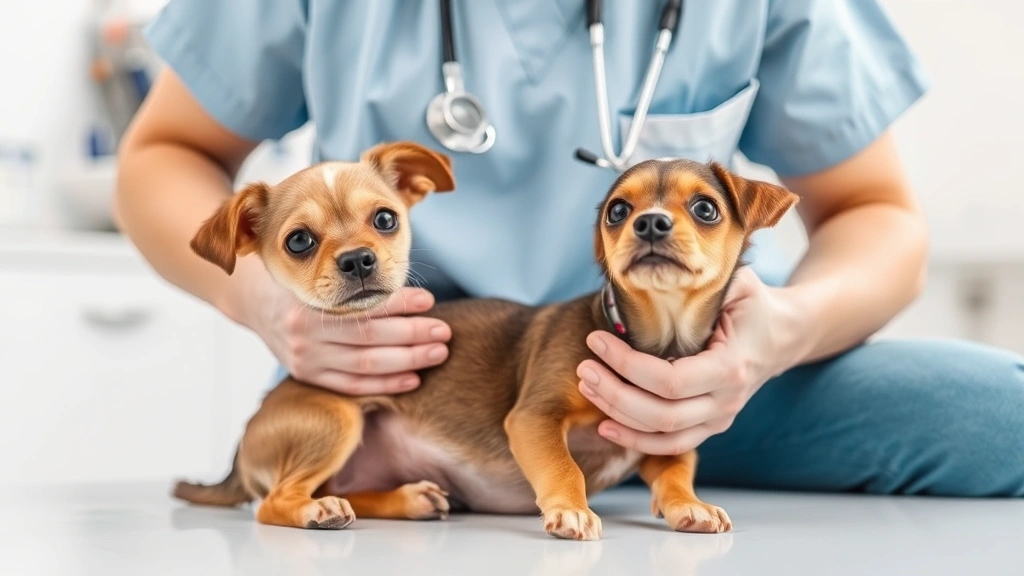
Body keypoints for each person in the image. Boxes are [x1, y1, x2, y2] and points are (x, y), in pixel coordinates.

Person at [114, 0, 1024, 497]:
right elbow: (165, 155)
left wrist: (779, 333)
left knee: (997, 417)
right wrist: (262, 301)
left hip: (710, 385)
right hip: (423, 389)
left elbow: (879, 214)